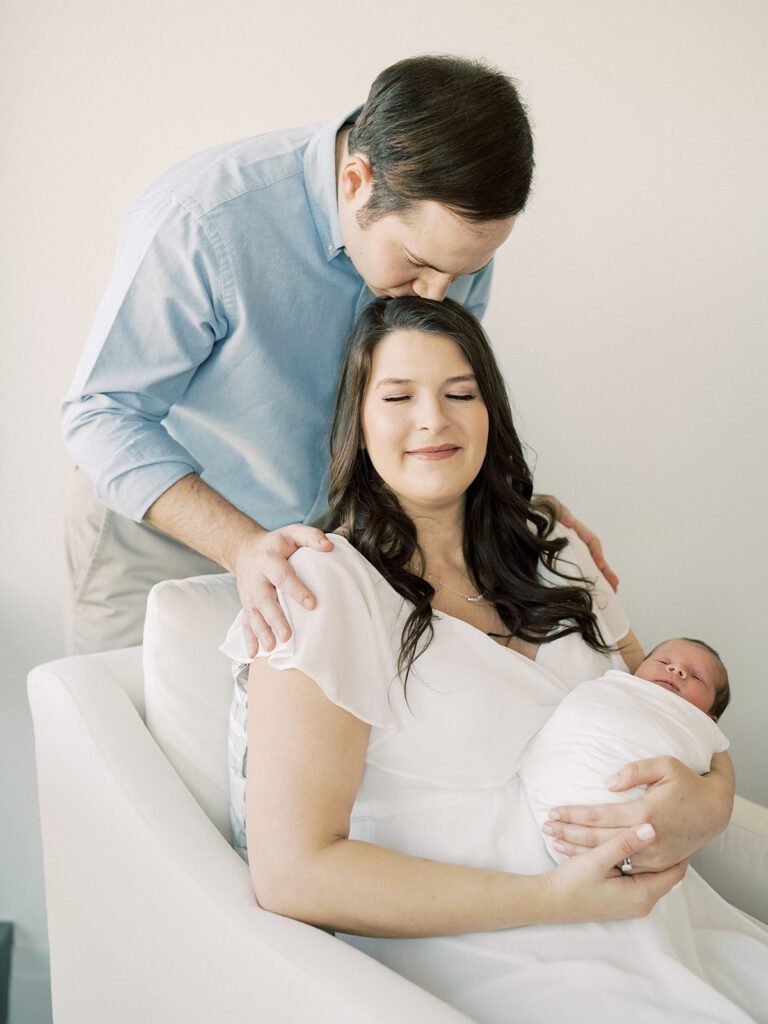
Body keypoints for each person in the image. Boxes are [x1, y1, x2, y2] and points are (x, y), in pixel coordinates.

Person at [221, 297, 766, 1024]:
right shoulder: (322, 587)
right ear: (358, 419)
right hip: (486, 958)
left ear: (491, 413)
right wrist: (551, 902)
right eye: (398, 396)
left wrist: (713, 800)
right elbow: (293, 875)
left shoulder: (555, 548)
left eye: (459, 394)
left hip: (669, 928)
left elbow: (670, 701)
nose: (433, 420)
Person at [63, 53, 580, 656]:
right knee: (126, 733)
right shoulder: (202, 222)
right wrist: (240, 545)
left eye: (466, 270)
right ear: (356, 182)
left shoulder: (445, 250)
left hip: (331, 546)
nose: (441, 296)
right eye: (418, 263)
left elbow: (416, 412)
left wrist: (519, 522)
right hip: (159, 534)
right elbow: (101, 413)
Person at [521, 638, 732, 864]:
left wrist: (717, 802)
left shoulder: (700, 728)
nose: (676, 669)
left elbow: (713, 758)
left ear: (710, 720)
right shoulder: (615, 686)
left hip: (640, 840)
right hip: (536, 815)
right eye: (663, 661)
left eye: (697, 677)